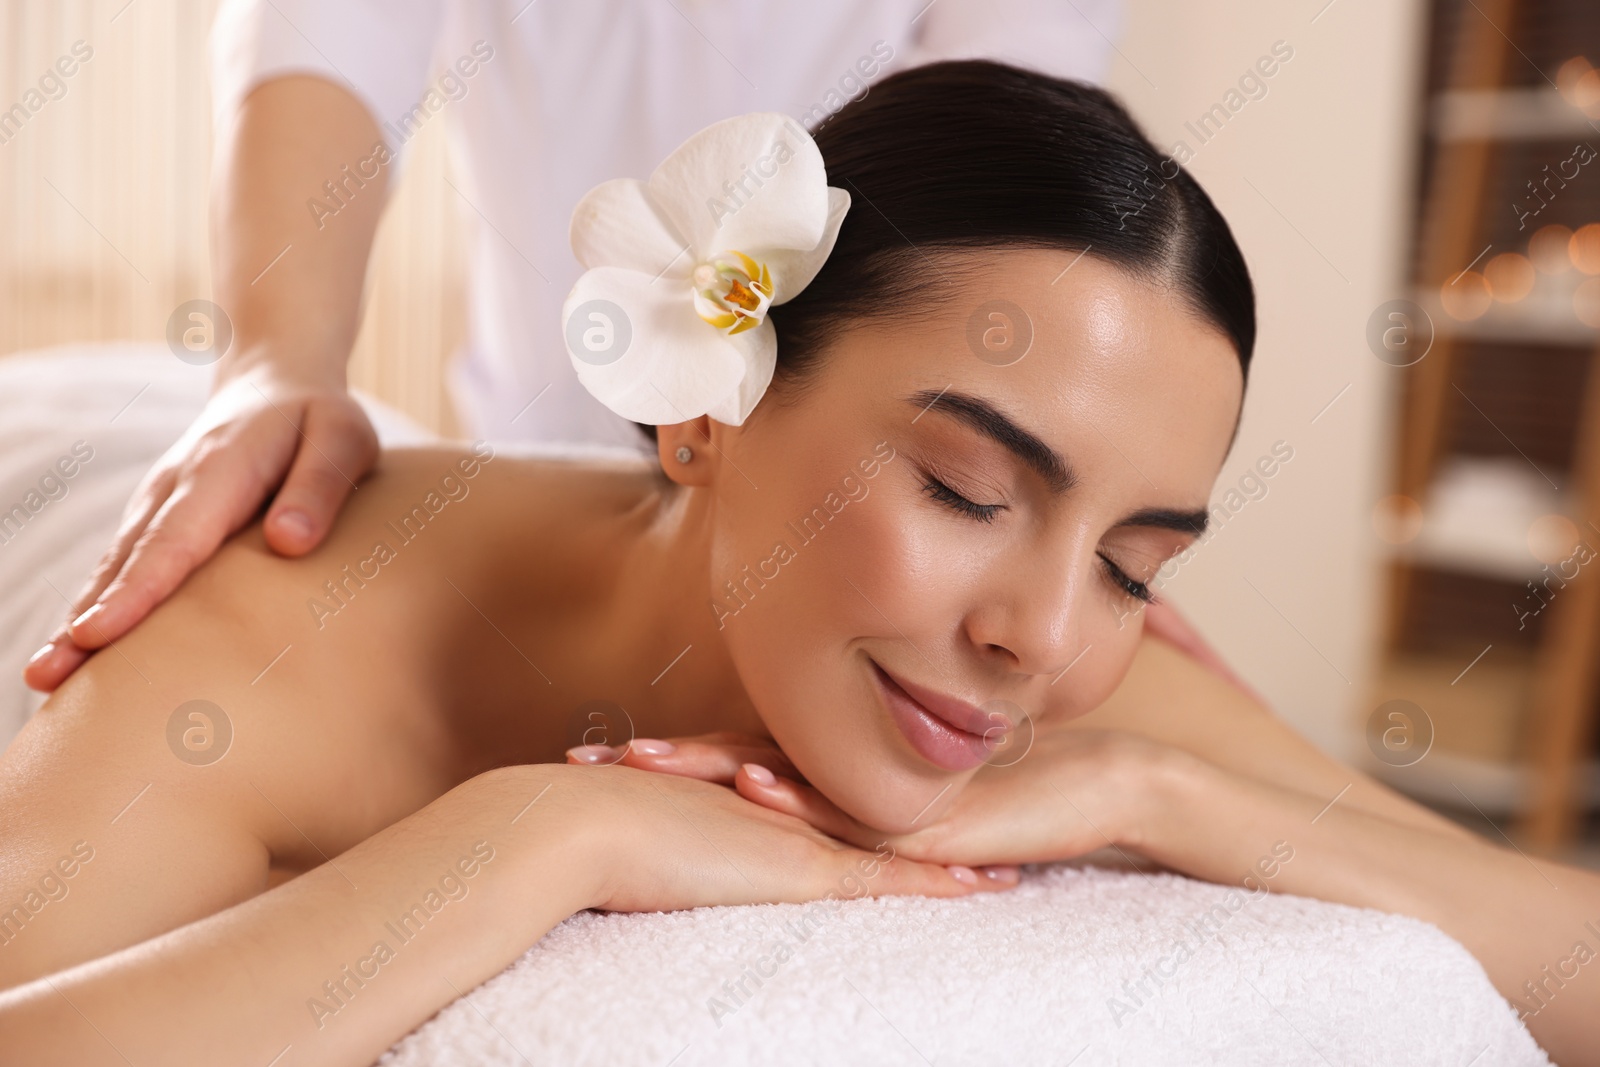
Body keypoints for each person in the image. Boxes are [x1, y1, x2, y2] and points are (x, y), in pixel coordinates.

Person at [2, 63, 1593, 1066]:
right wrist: (542, 830)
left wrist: (1162, 795)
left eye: (1133, 559)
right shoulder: (259, 621)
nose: (1043, 635)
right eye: (969, 485)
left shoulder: (1071, 675)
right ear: (705, 407)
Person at [21, 0, 1122, 695]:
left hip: (843, 514)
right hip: (525, 463)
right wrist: (278, 358)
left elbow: (1009, 155)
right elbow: (322, 33)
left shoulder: (1003, 624)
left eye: (1133, 562)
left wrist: (1045, 542)